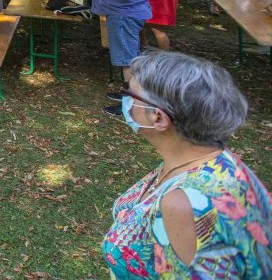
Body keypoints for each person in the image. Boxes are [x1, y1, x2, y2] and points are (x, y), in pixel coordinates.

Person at [102, 51, 271, 279]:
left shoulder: (182, 205)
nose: (126, 102)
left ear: (159, 118)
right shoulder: (215, 161)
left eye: (130, 94)